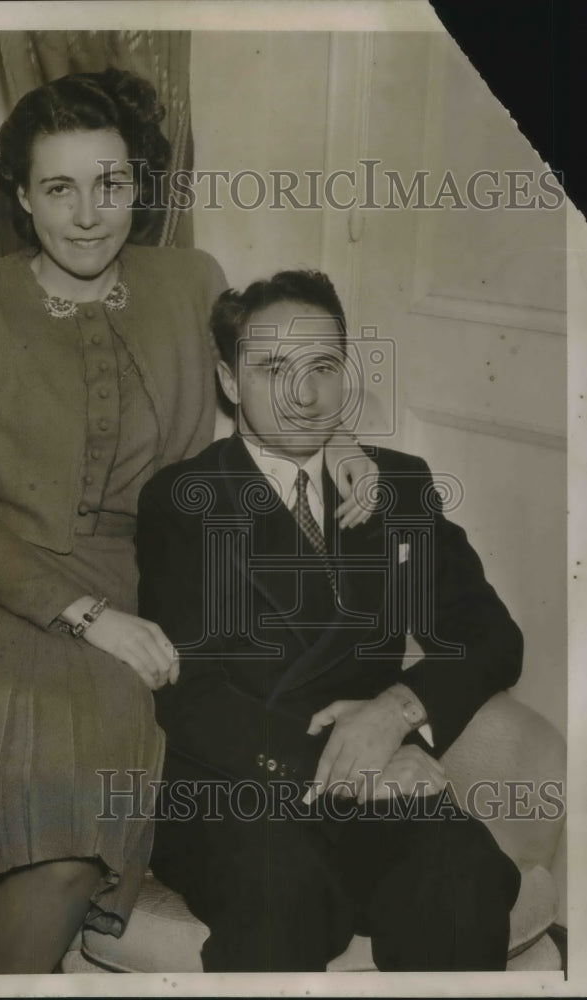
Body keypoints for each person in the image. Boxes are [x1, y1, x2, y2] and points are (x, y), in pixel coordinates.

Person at [0, 71, 374, 975]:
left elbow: (271, 370)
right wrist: (80, 614)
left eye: (109, 184)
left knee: (72, 834)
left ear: (138, 184)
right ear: (22, 197)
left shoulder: (192, 280)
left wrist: (340, 438)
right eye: (59, 188)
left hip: (135, 596)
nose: (88, 214)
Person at [136, 269, 524, 972]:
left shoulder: (397, 484)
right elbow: (191, 691)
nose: (302, 395)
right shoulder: (185, 500)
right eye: (271, 369)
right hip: (240, 788)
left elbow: (491, 638)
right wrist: (347, 759)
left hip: (382, 780)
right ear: (229, 380)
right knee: (281, 893)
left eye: (321, 367)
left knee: (461, 874)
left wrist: (395, 711)